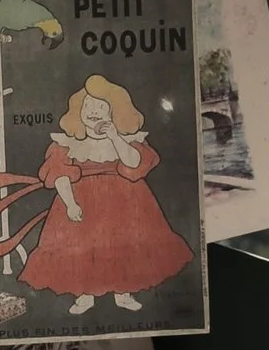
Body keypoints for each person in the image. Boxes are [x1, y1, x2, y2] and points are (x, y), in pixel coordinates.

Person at [21, 75, 192, 313]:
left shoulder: (128, 141)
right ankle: (84, 294)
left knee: (123, 246)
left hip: (125, 203)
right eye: (88, 105)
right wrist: (70, 203)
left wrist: (115, 136)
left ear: (116, 113)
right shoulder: (68, 144)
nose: (94, 111)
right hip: (81, 202)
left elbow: (134, 165)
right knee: (81, 247)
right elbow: (60, 175)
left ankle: (123, 293)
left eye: (101, 106)